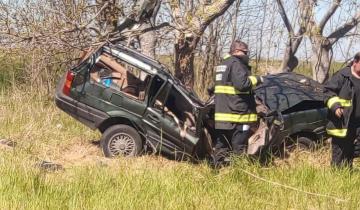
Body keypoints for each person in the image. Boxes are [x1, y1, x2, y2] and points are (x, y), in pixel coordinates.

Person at [212, 40, 263, 166]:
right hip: (238, 116)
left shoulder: (222, 65)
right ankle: (238, 175)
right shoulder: (236, 63)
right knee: (239, 149)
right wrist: (257, 79)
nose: (246, 55)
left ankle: (216, 173)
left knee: (221, 147)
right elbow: (242, 84)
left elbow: (212, 88)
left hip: (222, 118)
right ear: (236, 51)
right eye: (245, 52)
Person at [324, 52, 360, 168]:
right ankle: (337, 179)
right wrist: (336, 106)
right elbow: (328, 92)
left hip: (358, 125)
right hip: (343, 123)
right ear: (355, 62)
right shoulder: (342, 76)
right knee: (339, 156)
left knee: (352, 152)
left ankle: (347, 173)